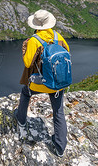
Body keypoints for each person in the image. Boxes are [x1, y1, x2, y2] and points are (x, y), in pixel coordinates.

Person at [14, 9, 70, 157]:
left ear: (36, 25)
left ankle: (21, 120)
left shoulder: (34, 40)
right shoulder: (59, 37)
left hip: (39, 83)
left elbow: (27, 63)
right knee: (58, 111)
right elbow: (67, 55)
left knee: (25, 93)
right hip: (57, 82)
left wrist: (25, 47)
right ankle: (59, 147)